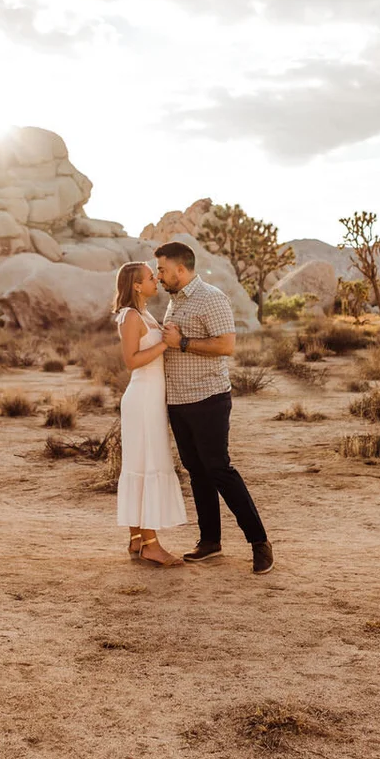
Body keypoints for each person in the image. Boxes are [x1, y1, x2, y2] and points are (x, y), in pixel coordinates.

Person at [155, 242, 274, 576]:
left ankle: (259, 542)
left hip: (208, 398)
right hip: (178, 401)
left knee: (219, 468)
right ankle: (210, 542)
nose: (158, 275)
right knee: (196, 470)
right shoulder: (174, 300)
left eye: (162, 269)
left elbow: (226, 345)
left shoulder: (211, 298)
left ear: (181, 269)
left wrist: (182, 343)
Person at [114, 260, 186, 567]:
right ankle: (152, 546)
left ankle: (137, 540)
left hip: (150, 398)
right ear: (136, 285)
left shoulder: (143, 314)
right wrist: (166, 346)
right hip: (142, 398)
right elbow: (131, 360)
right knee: (147, 466)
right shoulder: (131, 316)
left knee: (140, 466)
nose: (156, 279)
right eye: (149, 277)